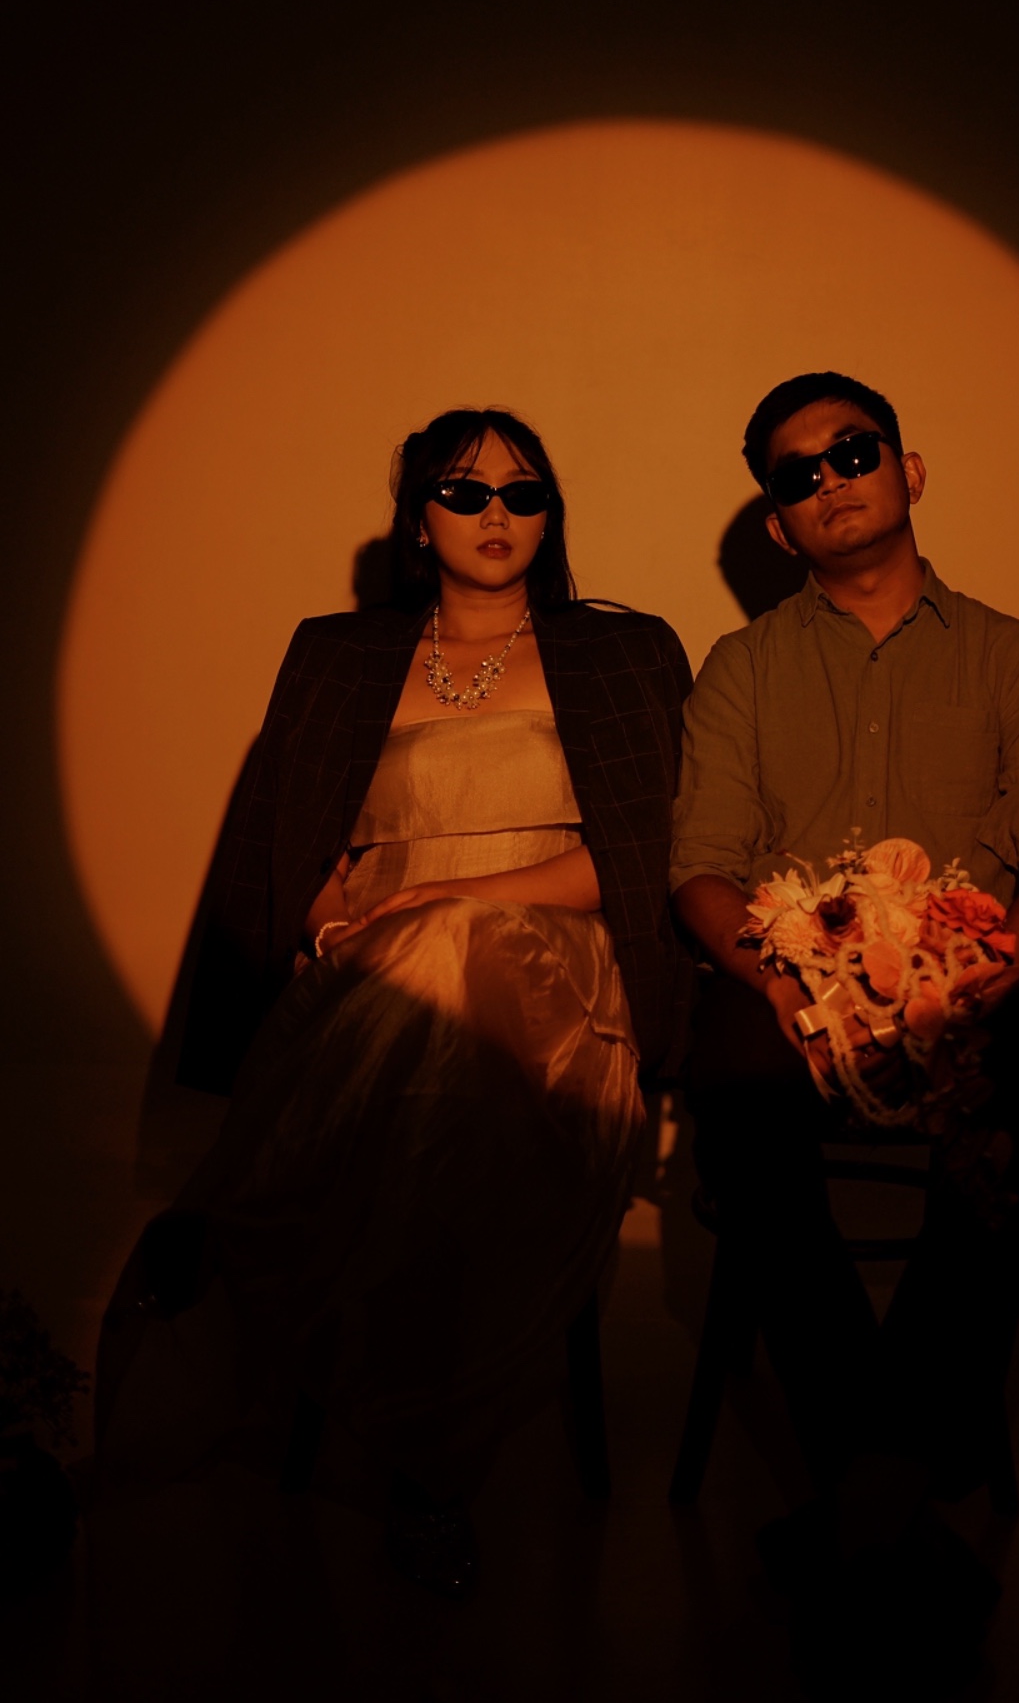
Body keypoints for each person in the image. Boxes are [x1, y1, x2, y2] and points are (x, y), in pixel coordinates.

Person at [96, 407, 691, 1595]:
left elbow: (641, 858)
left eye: (522, 493)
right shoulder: (338, 653)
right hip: (366, 977)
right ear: (418, 520)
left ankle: (227, 1220)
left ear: (549, 518)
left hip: (560, 979)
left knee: (454, 949)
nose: (495, 514)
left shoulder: (623, 653)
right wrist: (333, 926)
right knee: (431, 1082)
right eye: (464, 493)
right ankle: (432, 1478)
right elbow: (293, 841)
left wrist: (445, 904)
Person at [670, 372, 1019, 1679]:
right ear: (779, 525)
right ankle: (895, 1499)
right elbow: (699, 868)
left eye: (852, 451)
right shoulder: (743, 669)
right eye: (796, 474)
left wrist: (983, 978)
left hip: (961, 979)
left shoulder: (1010, 654)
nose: (830, 481)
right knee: (746, 1128)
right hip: (784, 979)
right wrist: (777, 984)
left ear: (907, 470)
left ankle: (858, 1508)